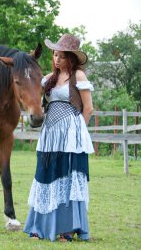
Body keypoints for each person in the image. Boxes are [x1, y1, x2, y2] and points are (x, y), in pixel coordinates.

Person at [23, 33, 94, 242]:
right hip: (50, 134)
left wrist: (77, 135)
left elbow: (88, 108)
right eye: (55, 55)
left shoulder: (78, 77)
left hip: (71, 135)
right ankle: (39, 227)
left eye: (61, 56)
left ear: (71, 58)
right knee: (45, 176)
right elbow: (30, 85)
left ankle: (66, 229)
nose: (57, 59)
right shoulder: (48, 79)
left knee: (67, 179)